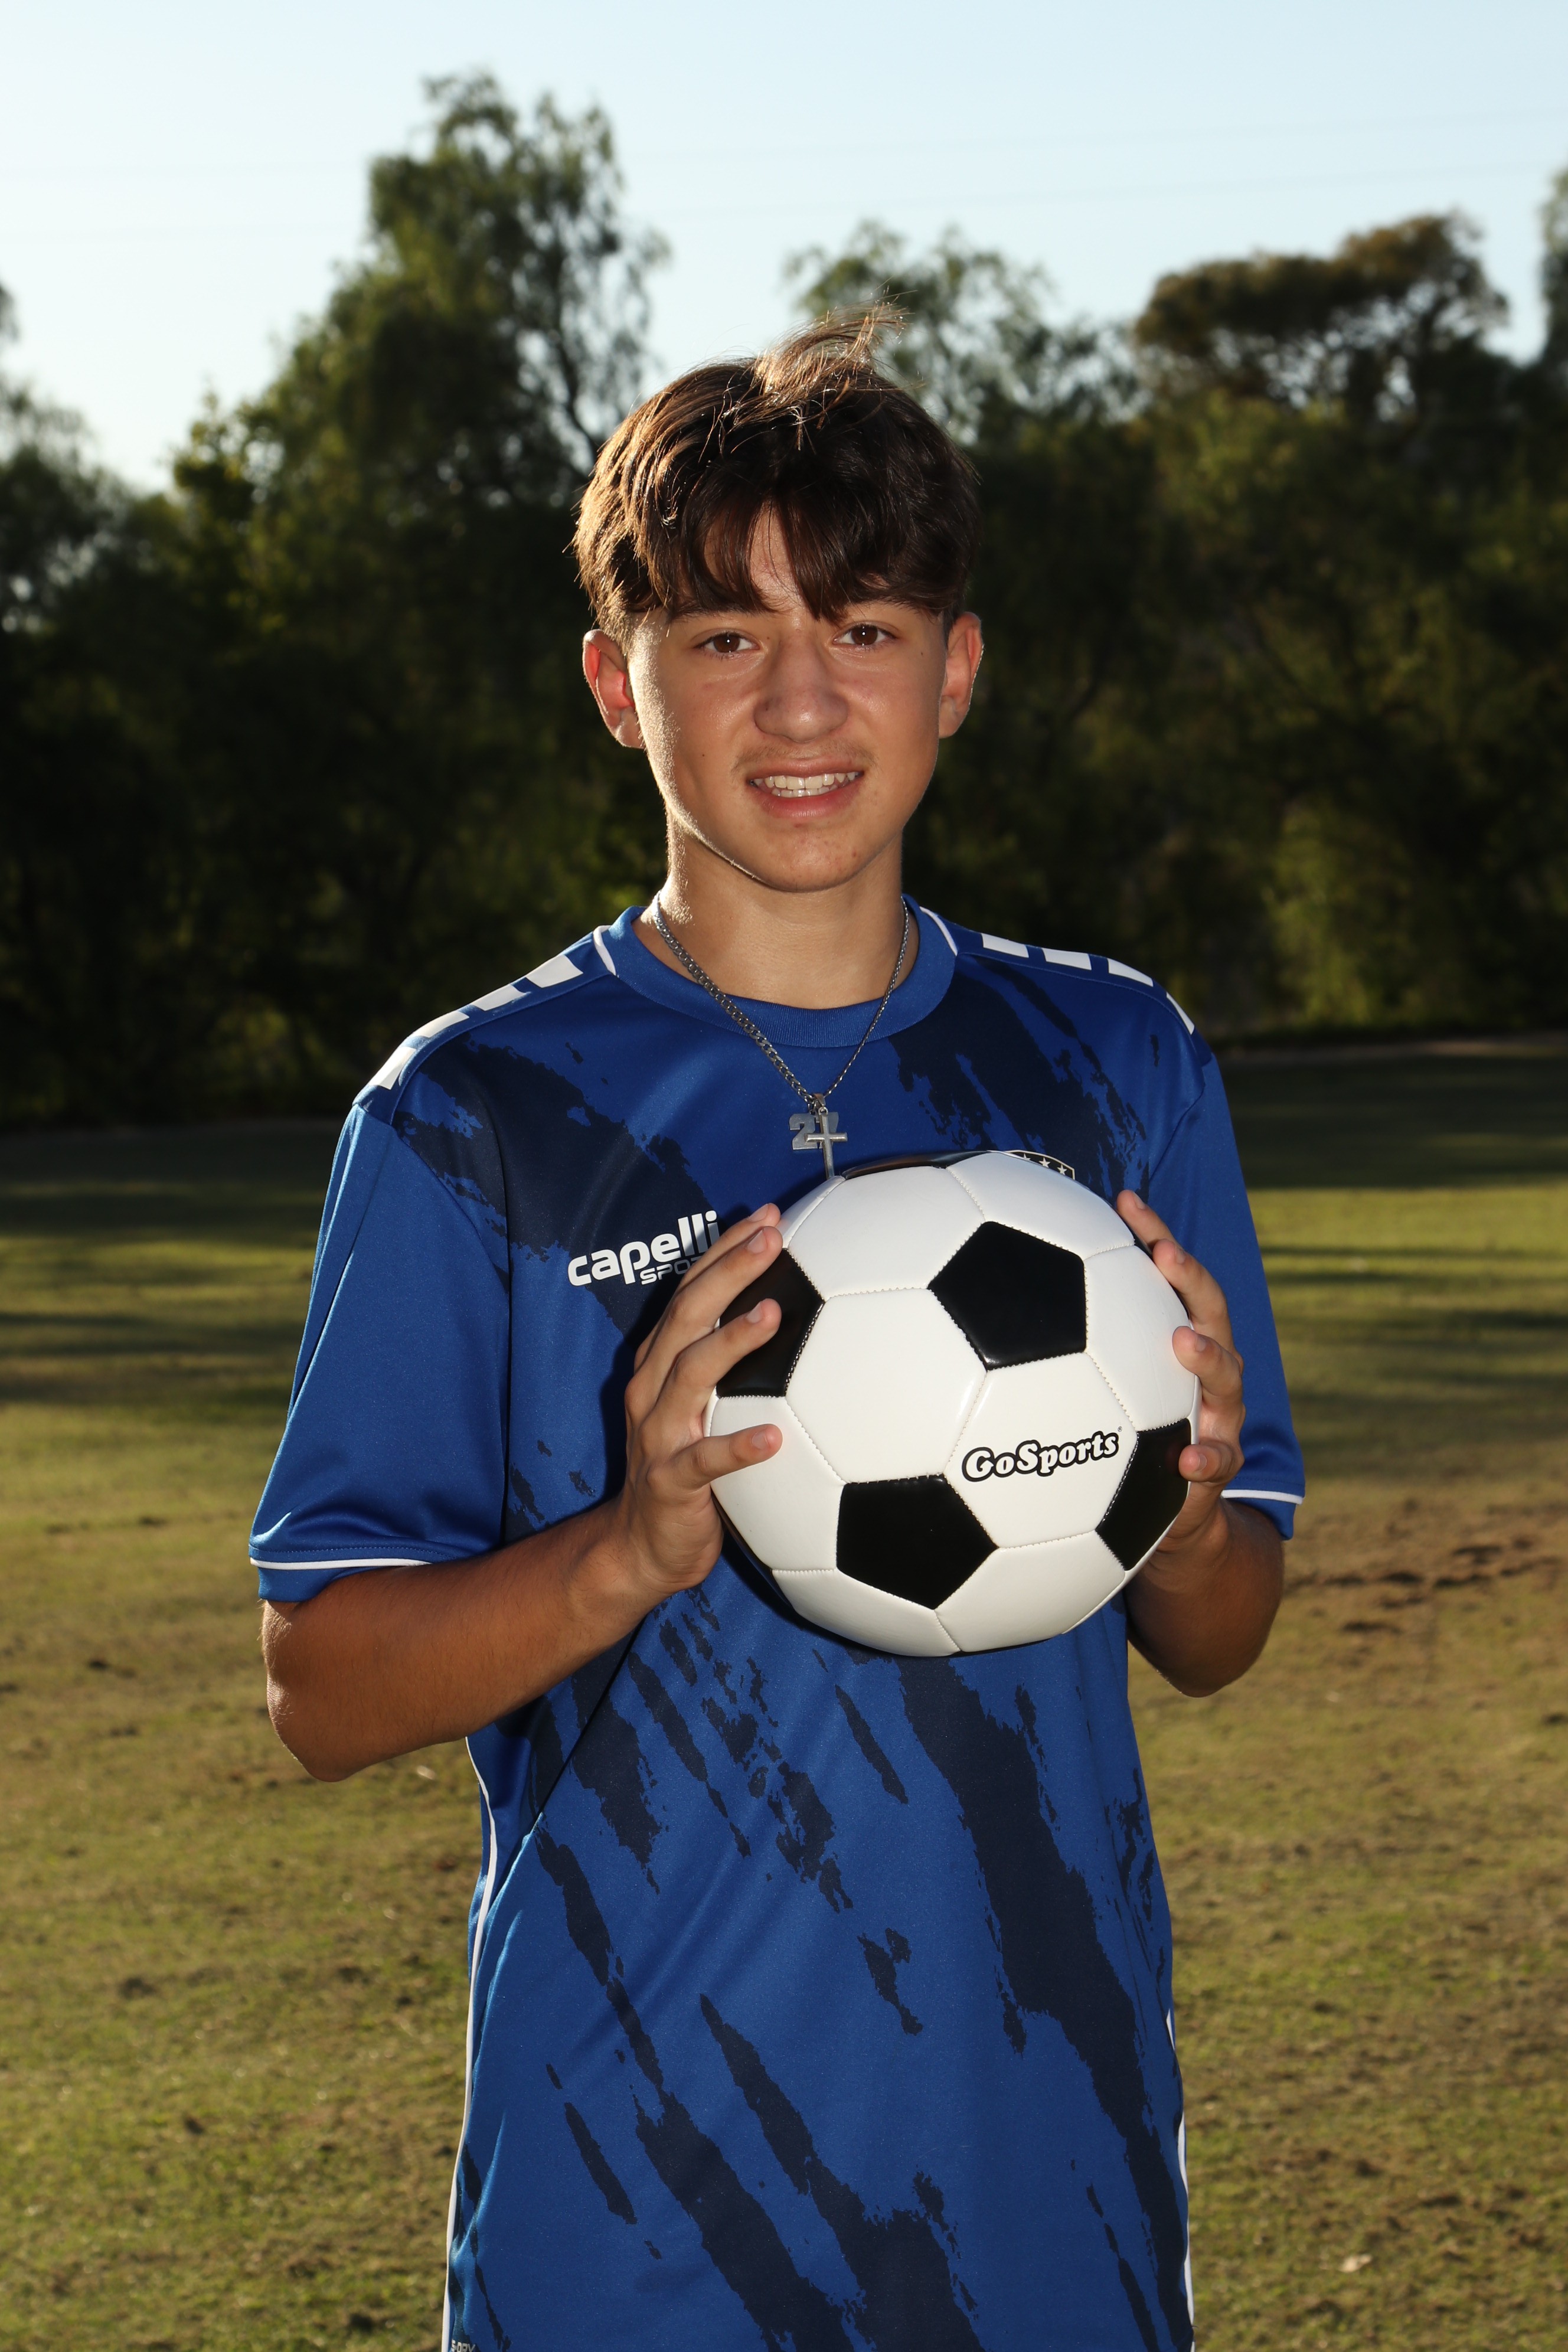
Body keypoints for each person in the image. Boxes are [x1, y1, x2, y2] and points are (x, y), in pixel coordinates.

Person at [255, 318, 1304, 2352]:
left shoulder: (1115, 1063)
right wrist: (627, 1550)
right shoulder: (478, 1115)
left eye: (867, 628)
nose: (804, 699)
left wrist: (1183, 1520)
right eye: (727, 636)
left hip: (1057, 2188)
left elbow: (1222, 1628)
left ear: (958, 669)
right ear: (616, 685)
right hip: (634, 2212)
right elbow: (322, 1688)